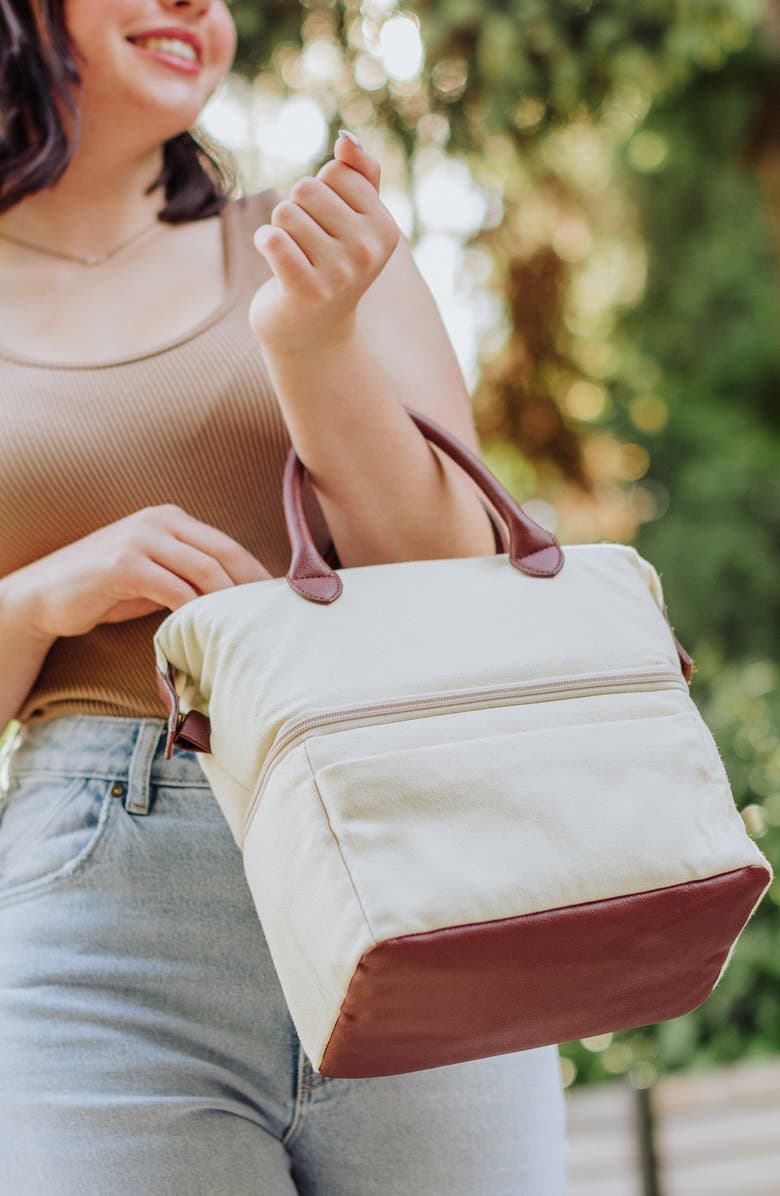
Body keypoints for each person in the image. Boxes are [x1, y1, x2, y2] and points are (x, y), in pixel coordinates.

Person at [0, 1, 569, 1192]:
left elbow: (450, 580)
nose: (193, 6)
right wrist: (43, 598)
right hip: (101, 917)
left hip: (411, 869)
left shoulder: (313, 248)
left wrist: (314, 350)